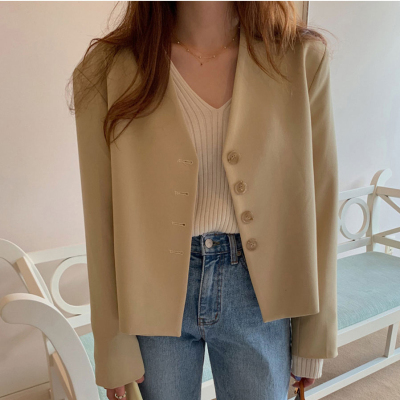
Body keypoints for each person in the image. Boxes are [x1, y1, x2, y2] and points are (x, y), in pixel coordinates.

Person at [69, 1, 339, 399]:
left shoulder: (299, 59)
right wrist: (113, 348)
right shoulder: (108, 68)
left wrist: (313, 337)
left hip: (259, 295)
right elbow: (101, 219)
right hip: (150, 299)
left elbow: (320, 205)